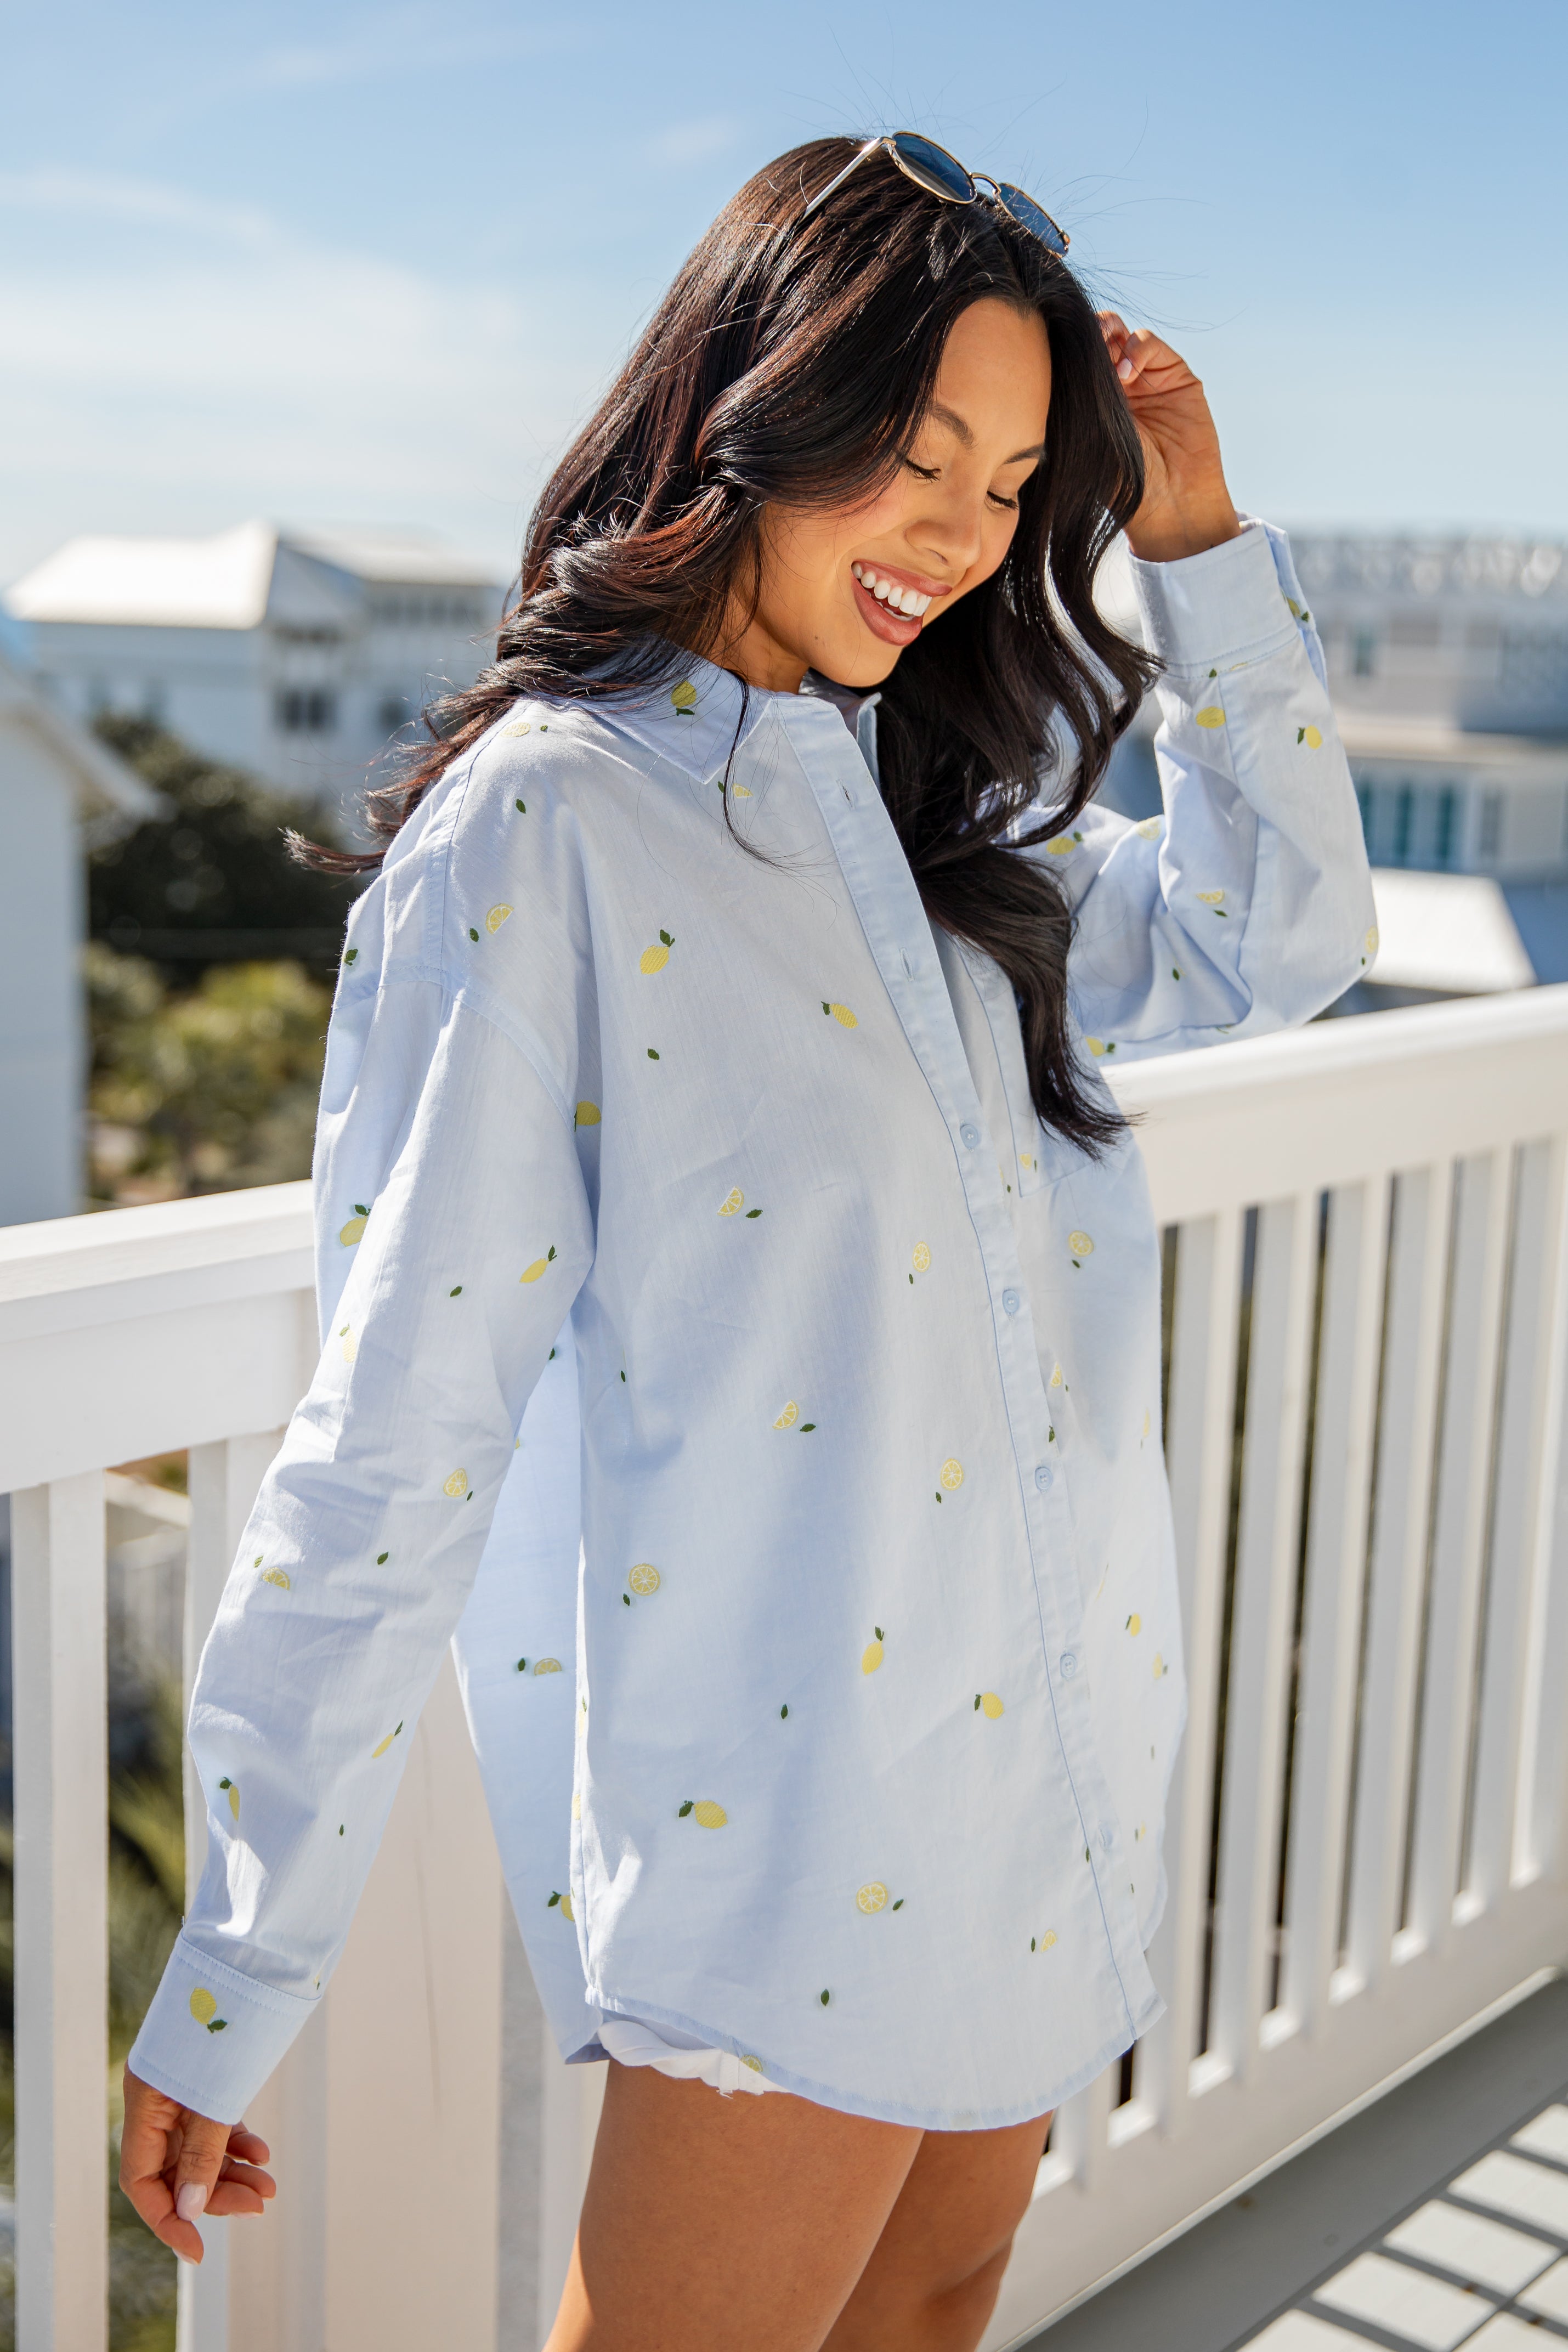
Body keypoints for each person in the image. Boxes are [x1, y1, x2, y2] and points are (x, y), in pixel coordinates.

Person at [120, 133, 1374, 2350]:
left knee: (938, 2307)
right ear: (757, 398)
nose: (960, 538)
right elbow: (394, 1428)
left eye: (1007, 491)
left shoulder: (935, 818)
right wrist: (235, 1959)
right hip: (793, 1836)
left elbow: (1281, 937)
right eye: (914, 454)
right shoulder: (548, 824)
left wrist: (1191, 545)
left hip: (1048, 1777)